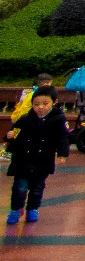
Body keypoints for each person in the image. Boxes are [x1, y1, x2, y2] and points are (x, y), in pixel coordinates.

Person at [5, 87, 68, 226]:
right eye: (36, 104)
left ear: (54, 102)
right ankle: (16, 209)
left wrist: (63, 153)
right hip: (23, 159)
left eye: (45, 104)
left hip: (42, 160)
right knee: (19, 187)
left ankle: (33, 209)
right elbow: (14, 132)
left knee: (37, 187)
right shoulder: (26, 118)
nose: (40, 107)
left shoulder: (58, 120)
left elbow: (62, 138)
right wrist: (9, 137)